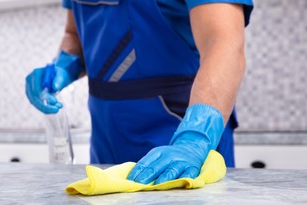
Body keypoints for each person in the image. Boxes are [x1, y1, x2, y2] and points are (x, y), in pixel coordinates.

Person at [26, 0, 254, 185]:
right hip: (107, 137)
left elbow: (224, 44)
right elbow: (73, 34)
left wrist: (193, 141)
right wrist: (64, 66)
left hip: (182, 131)